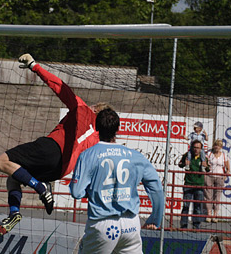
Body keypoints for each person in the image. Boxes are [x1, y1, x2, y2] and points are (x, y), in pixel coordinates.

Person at [0, 53, 110, 236]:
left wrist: (34, 66)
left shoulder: (83, 109)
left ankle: (40, 187)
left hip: (51, 149)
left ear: (96, 109)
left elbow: (59, 87)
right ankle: (14, 213)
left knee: (1, 161)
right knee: (14, 176)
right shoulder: (97, 140)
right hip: (61, 170)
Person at [70, 108, 164, 253]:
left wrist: (95, 189)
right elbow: (157, 188)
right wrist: (155, 218)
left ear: (97, 128)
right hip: (131, 224)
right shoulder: (135, 156)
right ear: (118, 129)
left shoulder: (87, 155)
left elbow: (76, 192)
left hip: (102, 224)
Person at [178, 140, 207, 230]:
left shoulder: (203, 157)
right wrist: (184, 163)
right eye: (194, 147)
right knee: (186, 206)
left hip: (199, 184)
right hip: (188, 184)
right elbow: (180, 164)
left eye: (198, 148)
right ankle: (183, 226)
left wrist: (205, 166)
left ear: (201, 149)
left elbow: (208, 169)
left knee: (198, 207)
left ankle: (196, 226)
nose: (196, 150)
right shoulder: (187, 155)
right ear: (191, 147)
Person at [204, 139, 230, 223]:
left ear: (221, 147)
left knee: (217, 196)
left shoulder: (224, 155)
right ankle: (209, 214)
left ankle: (215, 214)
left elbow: (228, 168)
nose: (217, 147)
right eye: (215, 145)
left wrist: (226, 175)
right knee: (208, 195)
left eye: (219, 145)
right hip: (209, 175)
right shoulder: (209, 154)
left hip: (219, 176)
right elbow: (204, 164)